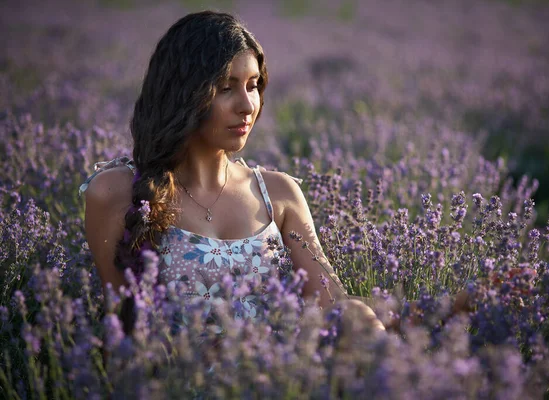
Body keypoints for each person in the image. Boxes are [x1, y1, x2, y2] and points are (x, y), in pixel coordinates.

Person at [81, 11, 387, 338]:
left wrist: (426, 310)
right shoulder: (116, 191)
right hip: (177, 380)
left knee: (356, 315)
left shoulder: (278, 193)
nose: (247, 105)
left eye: (253, 86)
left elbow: (331, 305)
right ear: (183, 93)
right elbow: (121, 332)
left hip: (280, 379)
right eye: (226, 88)